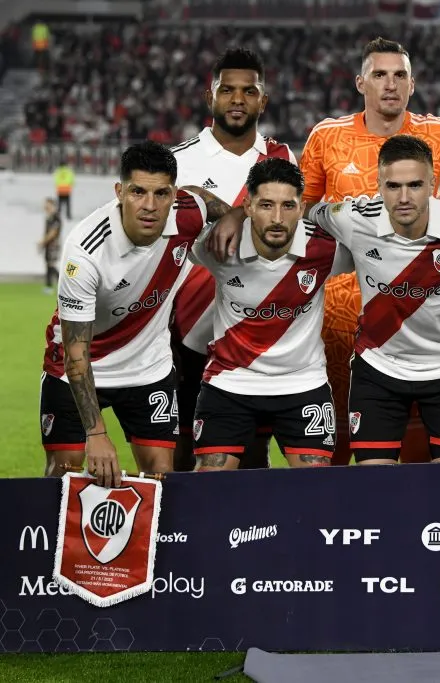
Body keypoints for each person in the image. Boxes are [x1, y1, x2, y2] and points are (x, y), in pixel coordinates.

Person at [300, 37, 440, 465]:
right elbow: (303, 215)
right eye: (379, 75)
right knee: (342, 449)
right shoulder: (327, 136)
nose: (390, 84)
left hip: (426, 317)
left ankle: (418, 528)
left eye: (399, 75)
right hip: (341, 320)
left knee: (425, 450)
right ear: (361, 82)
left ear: (412, 85)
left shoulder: (438, 134)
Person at [298, 135, 440, 464]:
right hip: (378, 369)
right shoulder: (353, 218)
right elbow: (307, 212)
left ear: (432, 183)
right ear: (378, 185)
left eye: (415, 185)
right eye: (393, 186)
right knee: (375, 487)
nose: (403, 198)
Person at [40, 141, 233, 488]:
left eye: (161, 193)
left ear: (173, 194)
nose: (149, 205)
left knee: (163, 478)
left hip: (147, 368)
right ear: (119, 192)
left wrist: (235, 216)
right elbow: (76, 355)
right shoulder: (84, 252)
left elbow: (202, 199)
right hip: (79, 369)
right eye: (137, 192)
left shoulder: (186, 213)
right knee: (62, 477)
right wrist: (96, 434)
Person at [169, 47, 297, 472]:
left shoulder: (281, 159)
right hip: (188, 332)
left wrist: (237, 212)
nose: (237, 99)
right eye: (227, 90)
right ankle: (187, 538)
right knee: (186, 450)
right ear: (211, 98)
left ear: (264, 100)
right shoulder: (179, 161)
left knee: (254, 453)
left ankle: (257, 537)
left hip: (255, 332)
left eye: (248, 91)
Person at [188, 158, 351, 471]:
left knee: (317, 493)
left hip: (302, 382)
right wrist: (229, 213)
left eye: (288, 206)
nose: (277, 218)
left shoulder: (327, 248)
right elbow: (184, 198)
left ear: (302, 207)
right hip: (230, 382)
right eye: (266, 205)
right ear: (248, 206)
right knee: (207, 488)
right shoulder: (218, 245)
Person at [39, 197, 61, 294]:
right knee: (48, 264)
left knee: (51, 264)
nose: (45, 206)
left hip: (53, 245)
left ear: (52, 205)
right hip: (48, 245)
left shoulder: (56, 217)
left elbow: (53, 232)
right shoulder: (49, 217)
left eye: (47, 204)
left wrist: (43, 241)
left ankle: (63, 285)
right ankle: (49, 286)